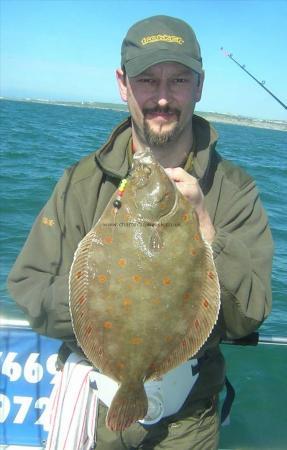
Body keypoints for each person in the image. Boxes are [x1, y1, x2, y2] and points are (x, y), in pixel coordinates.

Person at [7, 15, 273, 450]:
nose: (163, 97)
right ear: (122, 83)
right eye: (147, 80)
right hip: (92, 411)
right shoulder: (80, 183)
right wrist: (95, 301)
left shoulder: (235, 190)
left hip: (187, 420)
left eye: (179, 80)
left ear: (200, 86)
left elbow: (252, 313)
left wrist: (208, 234)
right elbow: (27, 286)